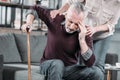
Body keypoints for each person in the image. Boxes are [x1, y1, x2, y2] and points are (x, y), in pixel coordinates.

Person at [22, 2, 100, 80]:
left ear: (82, 21)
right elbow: (35, 9)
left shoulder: (85, 32)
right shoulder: (55, 18)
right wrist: (29, 23)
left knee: (97, 72)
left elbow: (90, 63)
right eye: (70, 21)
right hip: (49, 64)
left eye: (77, 24)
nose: (72, 27)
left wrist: (82, 40)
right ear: (66, 15)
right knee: (58, 64)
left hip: (69, 69)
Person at [51, 0, 120, 80]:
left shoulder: (118, 4)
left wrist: (94, 29)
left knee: (97, 67)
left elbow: (111, 25)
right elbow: (71, 2)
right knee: (80, 66)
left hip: (102, 36)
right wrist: (59, 11)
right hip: (83, 32)